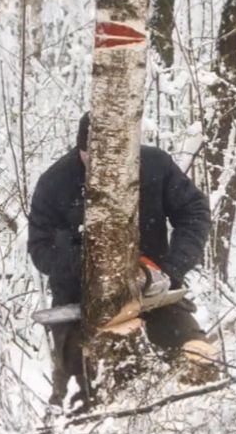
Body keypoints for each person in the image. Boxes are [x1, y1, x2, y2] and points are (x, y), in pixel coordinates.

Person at [28, 112, 218, 406]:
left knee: (196, 361)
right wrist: (91, 266)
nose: (104, 168)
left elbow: (194, 213)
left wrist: (169, 269)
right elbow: (41, 250)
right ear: (82, 150)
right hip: (80, 304)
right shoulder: (55, 184)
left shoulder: (154, 166)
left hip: (156, 295)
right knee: (86, 393)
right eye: (93, 159)